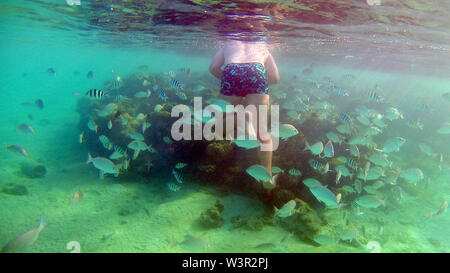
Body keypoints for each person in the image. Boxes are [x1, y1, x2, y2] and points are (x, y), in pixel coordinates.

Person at [209, 39, 280, 189]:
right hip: (257, 71)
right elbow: (275, 78)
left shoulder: (228, 43)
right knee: (261, 131)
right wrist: (256, 82)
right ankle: (267, 176)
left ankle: (241, 116)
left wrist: (232, 79)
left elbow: (214, 68)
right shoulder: (263, 46)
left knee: (221, 127)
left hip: (232, 71)